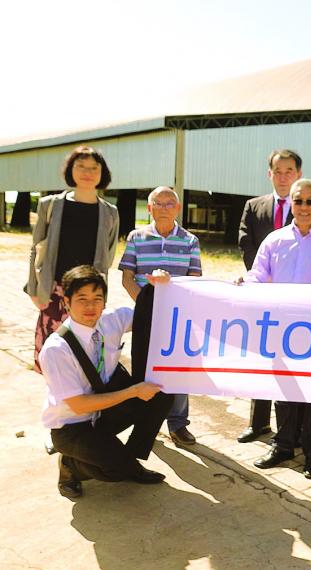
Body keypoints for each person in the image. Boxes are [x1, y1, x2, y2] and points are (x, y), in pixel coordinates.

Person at [244, 179, 311, 479]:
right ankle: (283, 445)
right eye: (298, 200)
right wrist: (244, 285)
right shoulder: (274, 240)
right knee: (284, 390)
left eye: (310, 201)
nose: (304, 207)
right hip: (282, 328)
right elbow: (258, 274)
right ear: (290, 203)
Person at [41, 265, 173, 498]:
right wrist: (133, 391)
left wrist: (158, 289)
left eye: (97, 298)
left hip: (104, 413)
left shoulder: (112, 320)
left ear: (104, 301)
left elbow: (148, 312)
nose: (90, 306)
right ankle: (71, 464)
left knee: (162, 393)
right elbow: (79, 405)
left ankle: (128, 460)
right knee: (114, 472)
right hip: (72, 426)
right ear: (66, 301)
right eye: (82, 299)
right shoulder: (56, 350)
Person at [118, 186, 202, 447]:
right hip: (146, 316)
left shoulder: (190, 241)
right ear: (150, 208)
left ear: (177, 209)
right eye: (159, 203)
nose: (164, 208)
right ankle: (146, 424)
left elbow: (195, 279)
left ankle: (178, 425)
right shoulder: (136, 237)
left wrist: (173, 307)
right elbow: (127, 277)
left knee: (179, 370)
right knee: (145, 370)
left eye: (170, 204)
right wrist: (145, 305)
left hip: (178, 319)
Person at [26, 145, 119, 374]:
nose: (87, 172)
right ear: (71, 170)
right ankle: (56, 406)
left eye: (93, 168)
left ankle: (82, 407)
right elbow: (35, 249)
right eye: (81, 166)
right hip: (55, 291)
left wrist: (101, 297)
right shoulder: (50, 205)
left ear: (102, 173)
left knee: (84, 358)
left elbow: (108, 257)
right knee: (52, 358)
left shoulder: (110, 212)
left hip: (88, 295)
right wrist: (34, 291)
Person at [236, 149, 302, 444]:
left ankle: (291, 427)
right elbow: (245, 243)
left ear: (298, 174)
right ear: (269, 174)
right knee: (261, 358)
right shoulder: (253, 206)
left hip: (292, 299)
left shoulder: (305, 204)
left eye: (289, 171)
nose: (283, 176)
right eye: (278, 171)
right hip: (261, 294)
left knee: (289, 359)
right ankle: (258, 423)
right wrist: (262, 276)